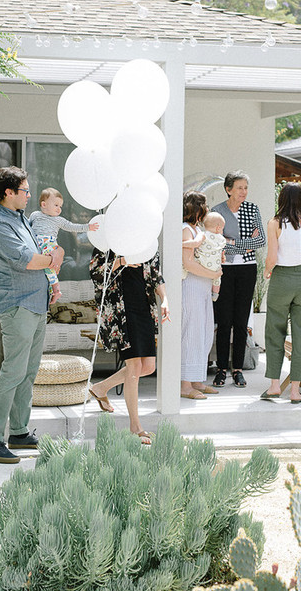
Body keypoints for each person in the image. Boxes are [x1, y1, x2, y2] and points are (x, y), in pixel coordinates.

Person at [0, 166, 64, 464]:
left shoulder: (21, 219)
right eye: (25, 191)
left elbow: (44, 255)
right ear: (8, 192)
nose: (29, 195)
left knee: (28, 372)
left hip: (36, 302)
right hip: (17, 305)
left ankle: (18, 431)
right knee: (13, 372)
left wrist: (50, 277)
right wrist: (53, 259)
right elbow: (24, 259)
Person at [88, 249, 169, 443]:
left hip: (145, 308)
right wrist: (122, 261)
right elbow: (96, 273)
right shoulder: (111, 242)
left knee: (148, 367)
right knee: (134, 367)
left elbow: (155, 274)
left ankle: (101, 388)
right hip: (122, 311)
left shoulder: (146, 241)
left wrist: (165, 299)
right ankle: (135, 427)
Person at [261, 183, 301, 403]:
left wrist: (268, 272)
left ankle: (274, 386)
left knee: (274, 331)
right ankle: (295, 391)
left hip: (282, 279)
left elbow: (272, 258)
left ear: (282, 199)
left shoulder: (275, 223)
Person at [212, 171, 266, 388]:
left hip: (247, 269)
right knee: (224, 322)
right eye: (240, 187)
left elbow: (260, 239)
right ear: (228, 189)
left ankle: (238, 370)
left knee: (241, 322)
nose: (244, 192)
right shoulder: (217, 212)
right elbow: (215, 241)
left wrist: (231, 242)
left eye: (246, 188)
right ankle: (221, 369)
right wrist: (244, 243)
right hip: (223, 270)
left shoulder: (252, 209)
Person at [181, 191, 221, 399]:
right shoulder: (186, 230)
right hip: (192, 286)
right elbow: (188, 263)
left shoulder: (196, 230)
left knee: (203, 333)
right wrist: (213, 273)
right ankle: (185, 385)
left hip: (203, 287)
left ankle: (196, 380)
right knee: (191, 334)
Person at [29, 188, 98, 302]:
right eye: (56, 205)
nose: (59, 209)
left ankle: (56, 290)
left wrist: (88, 227)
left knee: (50, 268)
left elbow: (72, 226)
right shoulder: (35, 215)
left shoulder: (58, 220)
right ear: (44, 204)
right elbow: (27, 227)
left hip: (49, 245)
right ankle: (46, 291)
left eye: (60, 206)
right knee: (39, 269)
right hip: (36, 245)